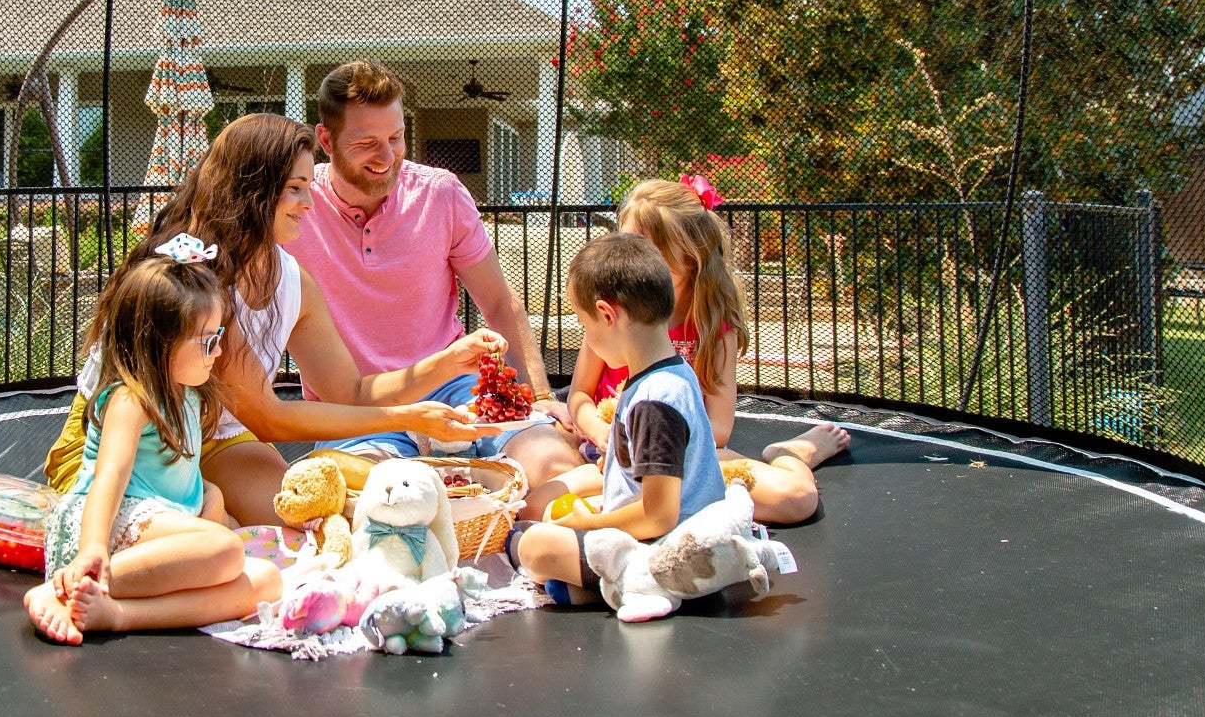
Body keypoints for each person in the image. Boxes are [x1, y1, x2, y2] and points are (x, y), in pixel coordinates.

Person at [41, 113, 505, 526]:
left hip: (212, 438)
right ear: (251, 191)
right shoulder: (194, 278)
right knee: (245, 531)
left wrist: (446, 362)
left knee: (311, 523)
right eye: (295, 189)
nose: (310, 202)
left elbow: (351, 392)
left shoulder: (291, 279)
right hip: (128, 450)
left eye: (308, 186)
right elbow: (269, 418)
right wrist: (411, 418)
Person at [295, 61, 584, 486]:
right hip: (359, 411)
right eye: (366, 143)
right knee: (373, 498)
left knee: (553, 468)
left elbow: (500, 303)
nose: (386, 155)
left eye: (396, 138)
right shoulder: (295, 205)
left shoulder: (441, 193)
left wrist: (540, 396)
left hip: (457, 391)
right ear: (326, 139)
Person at [528, 176, 847, 525]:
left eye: (643, 248)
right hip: (616, 456)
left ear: (690, 256)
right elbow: (580, 397)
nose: (628, 258)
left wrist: (647, 445)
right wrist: (606, 435)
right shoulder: (611, 316)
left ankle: (791, 453)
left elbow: (719, 428)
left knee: (793, 498)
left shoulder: (712, 324)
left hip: (681, 457)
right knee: (535, 505)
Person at [26, 240, 281, 644]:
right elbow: (109, 478)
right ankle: (67, 588)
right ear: (161, 341)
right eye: (208, 341)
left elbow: (177, 480)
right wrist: (91, 548)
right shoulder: (132, 400)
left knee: (266, 582)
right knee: (226, 550)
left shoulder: (189, 395)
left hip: (149, 535)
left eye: (219, 336)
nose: (218, 352)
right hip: (102, 534)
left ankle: (120, 614)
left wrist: (211, 503)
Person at [510, 233, 725, 604]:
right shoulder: (672, 373)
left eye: (585, 325)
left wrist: (587, 524)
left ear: (608, 315)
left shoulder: (654, 401)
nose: (588, 338)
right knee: (549, 533)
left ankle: (635, 584)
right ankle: (593, 588)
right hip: (673, 534)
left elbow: (658, 516)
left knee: (532, 546)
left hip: (667, 549)